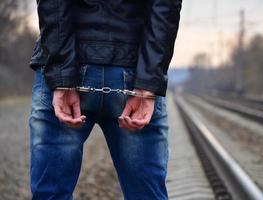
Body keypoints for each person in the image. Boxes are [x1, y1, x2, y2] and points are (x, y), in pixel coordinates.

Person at [28, 0, 182, 199]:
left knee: (50, 194)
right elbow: (165, 5)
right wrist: (148, 81)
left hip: (67, 62)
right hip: (133, 66)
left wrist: (62, 74)